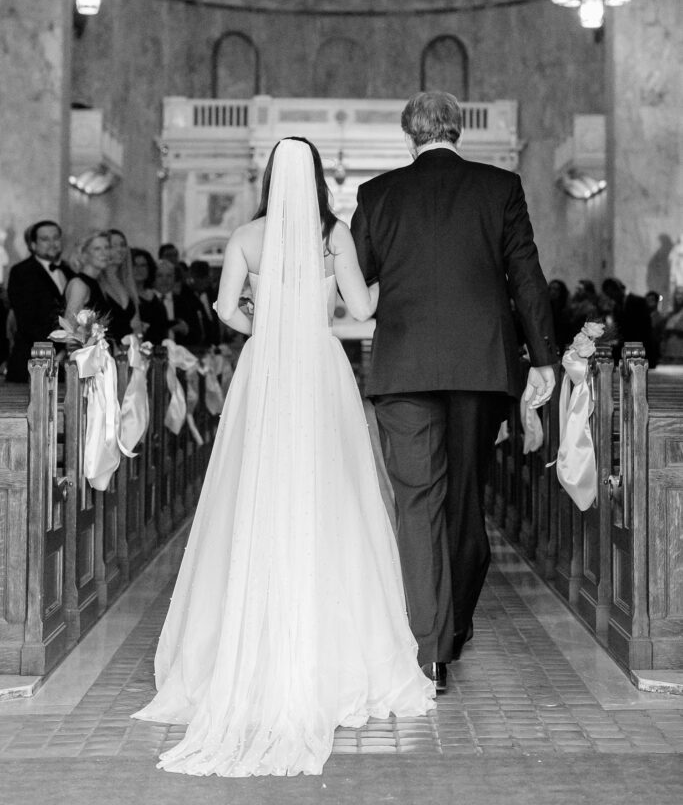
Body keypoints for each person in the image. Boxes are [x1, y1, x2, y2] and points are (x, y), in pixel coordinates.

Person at [132, 137, 435, 776]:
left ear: (271, 176)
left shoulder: (245, 235)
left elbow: (222, 311)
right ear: (320, 178)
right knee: (331, 494)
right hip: (321, 366)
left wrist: (265, 322)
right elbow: (362, 308)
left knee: (256, 490)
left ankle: (248, 641)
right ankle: (340, 646)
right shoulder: (336, 237)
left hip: (266, 368)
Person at [351, 91, 557, 693]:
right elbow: (527, 276)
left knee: (418, 503)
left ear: (407, 135)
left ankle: (429, 648)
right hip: (480, 365)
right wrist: (542, 359)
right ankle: (455, 625)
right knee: (467, 498)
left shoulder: (378, 193)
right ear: (459, 130)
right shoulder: (499, 187)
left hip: (404, 366)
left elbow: (354, 277)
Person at [5, 220, 75, 382]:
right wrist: (60, 348)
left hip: (65, 364)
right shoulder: (22, 272)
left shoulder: (69, 271)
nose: (52, 243)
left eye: (56, 238)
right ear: (33, 245)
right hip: (32, 363)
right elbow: (27, 321)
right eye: (45, 239)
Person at [100, 229, 141, 344]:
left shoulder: (128, 283)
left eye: (123, 245)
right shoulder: (97, 283)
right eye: (113, 246)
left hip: (128, 353)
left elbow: (136, 325)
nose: (120, 250)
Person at [64, 231, 112, 325]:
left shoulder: (98, 283)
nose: (104, 253)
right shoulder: (79, 284)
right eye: (97, 249)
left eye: (107, 247)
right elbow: (69, 328)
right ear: (84, 254)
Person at [131, 247, 168, 344]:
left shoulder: (153, 294)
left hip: (159, 349)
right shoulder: (127, 296)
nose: (139, 269)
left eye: (143, 265)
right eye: (135, 265)